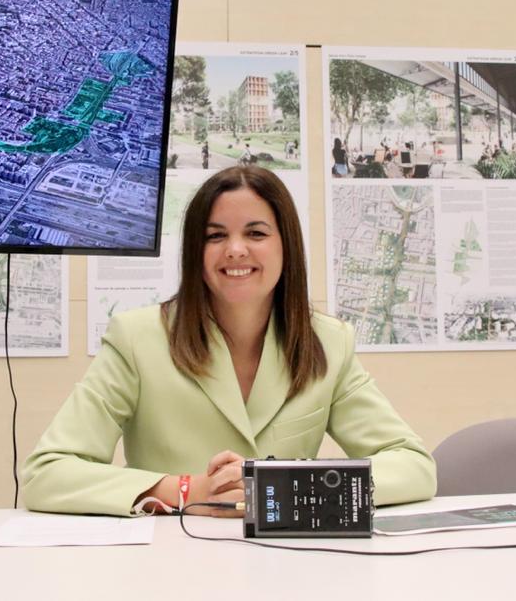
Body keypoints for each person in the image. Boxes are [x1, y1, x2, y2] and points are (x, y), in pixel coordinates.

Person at [22, 166, 436, 517]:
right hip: (168, 565)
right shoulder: (137, 338)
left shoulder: (329, 342)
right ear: (194, 252)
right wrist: (187, 490)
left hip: (291, 565)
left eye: (256, 233)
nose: (235, 250)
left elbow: (414, 467)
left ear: (286, 246)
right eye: (215, 236)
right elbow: (48, 473)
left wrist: (282, 488)